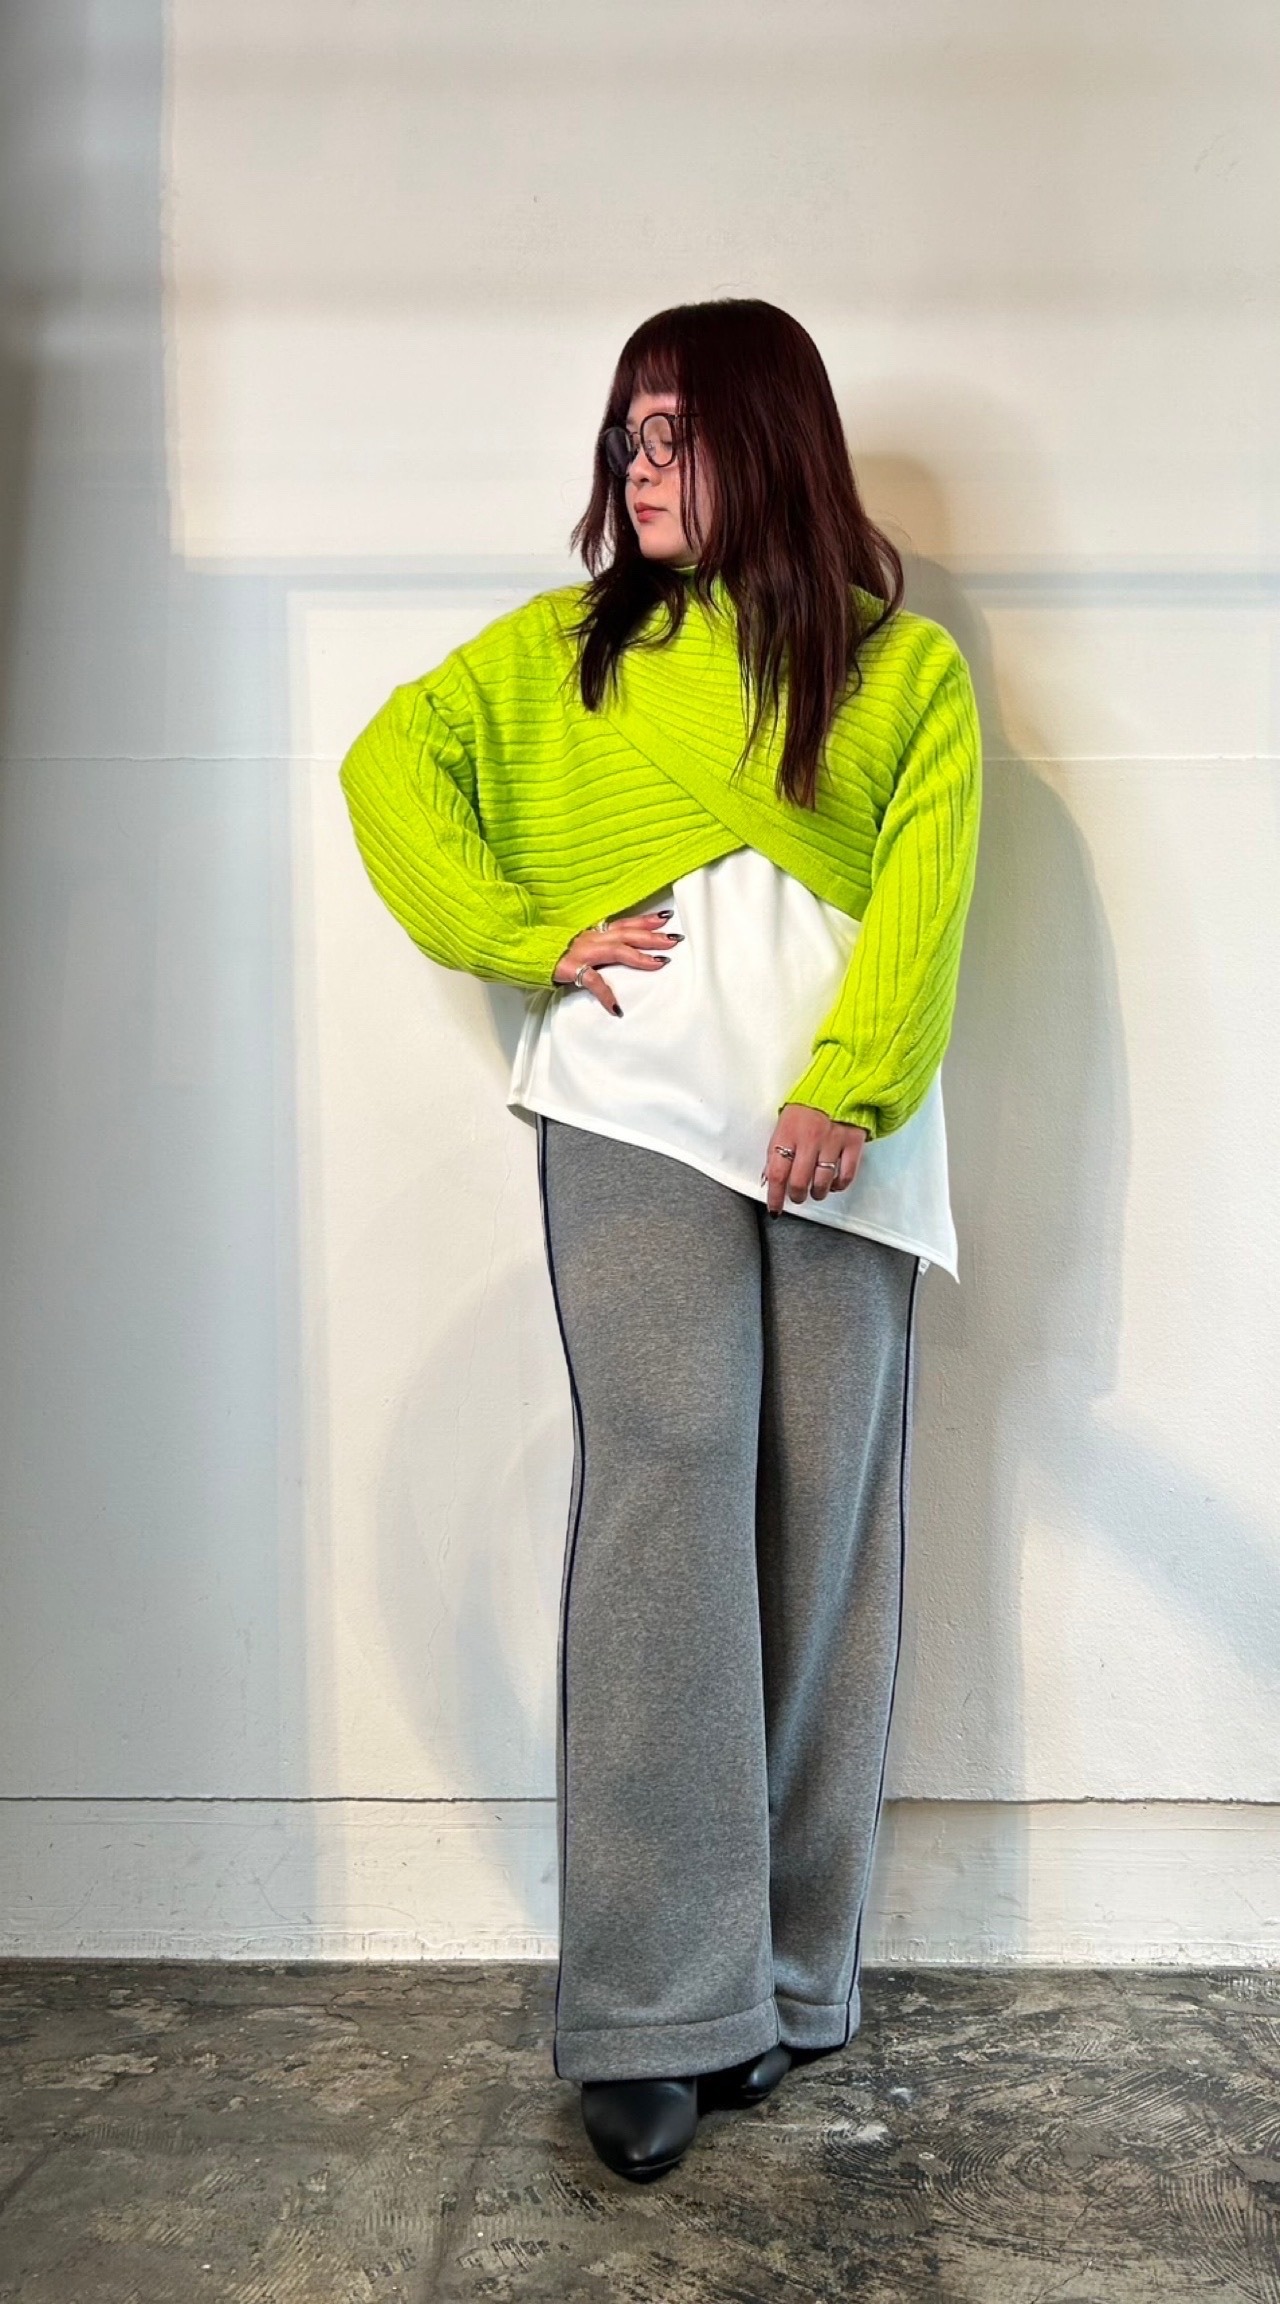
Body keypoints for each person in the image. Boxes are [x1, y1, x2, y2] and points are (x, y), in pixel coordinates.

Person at [339, 298, 982, 2184]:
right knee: (667, 1498)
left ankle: (780, 1979)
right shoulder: (574, 652)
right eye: (628, 432)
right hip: (632, 1114)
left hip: (845, 1140)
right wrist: (524, 934)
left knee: (821, 1520)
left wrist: (853, 1086)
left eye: (678, 429)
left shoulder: (900, 671)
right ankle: (649, 2010)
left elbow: (929, 890)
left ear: (771, 439)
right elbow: (387, 767)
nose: (642, 462)